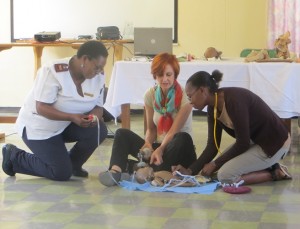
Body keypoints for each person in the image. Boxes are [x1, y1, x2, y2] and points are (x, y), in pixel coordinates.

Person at [2, 40, 109, 181]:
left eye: (101, 68)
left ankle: (73, 164)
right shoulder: (53, 71)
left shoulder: (98, 77)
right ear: (84, 59)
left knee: (99, 129)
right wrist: (72, 117)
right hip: (39, 128)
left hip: (65, 126)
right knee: (60, 173)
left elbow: (98, 107)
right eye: (97, 67)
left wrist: (93, 118)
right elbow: (41, 107)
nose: (99, 71)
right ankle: (14, 157)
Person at [173, 70, 292, 185]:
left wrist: (215, 164)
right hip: (255, 141)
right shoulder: (212, 108)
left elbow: (243, 143)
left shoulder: (234, 101)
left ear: (202, 90)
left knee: (225, 176)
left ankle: (274, 172)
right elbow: (212, 146)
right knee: (218, 170)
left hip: (274, 144)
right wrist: (190, 171)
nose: (190, 102)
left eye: (190, 96)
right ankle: (267, 166)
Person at [99, 52, 197, 186]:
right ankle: (116, 171)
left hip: (178, 149)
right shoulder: (150, 95)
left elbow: (174, 131)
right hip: (159, 151)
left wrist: (160, 149)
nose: (164, 79)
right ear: (154, 76)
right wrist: (148, 144)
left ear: (175, 75)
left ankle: (138, 169)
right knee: (121, 133)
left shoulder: (186, 96)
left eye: (168, 75)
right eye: (160, 75)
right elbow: (151, 129)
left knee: (182, 137)